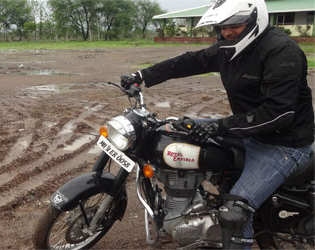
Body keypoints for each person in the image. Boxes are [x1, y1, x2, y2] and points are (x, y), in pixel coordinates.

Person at [120, 0, 314, 249]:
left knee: (235, 211)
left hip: (283, 145)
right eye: (222, 27)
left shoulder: (281, 51)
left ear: (256, 19)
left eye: (235, 25)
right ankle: (183, 206)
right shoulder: (230, 48)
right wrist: (143, 76)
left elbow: (277, 114)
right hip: (247, 132)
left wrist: (217, 127)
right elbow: (191, 61)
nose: (226, 32)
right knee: (173, 131)